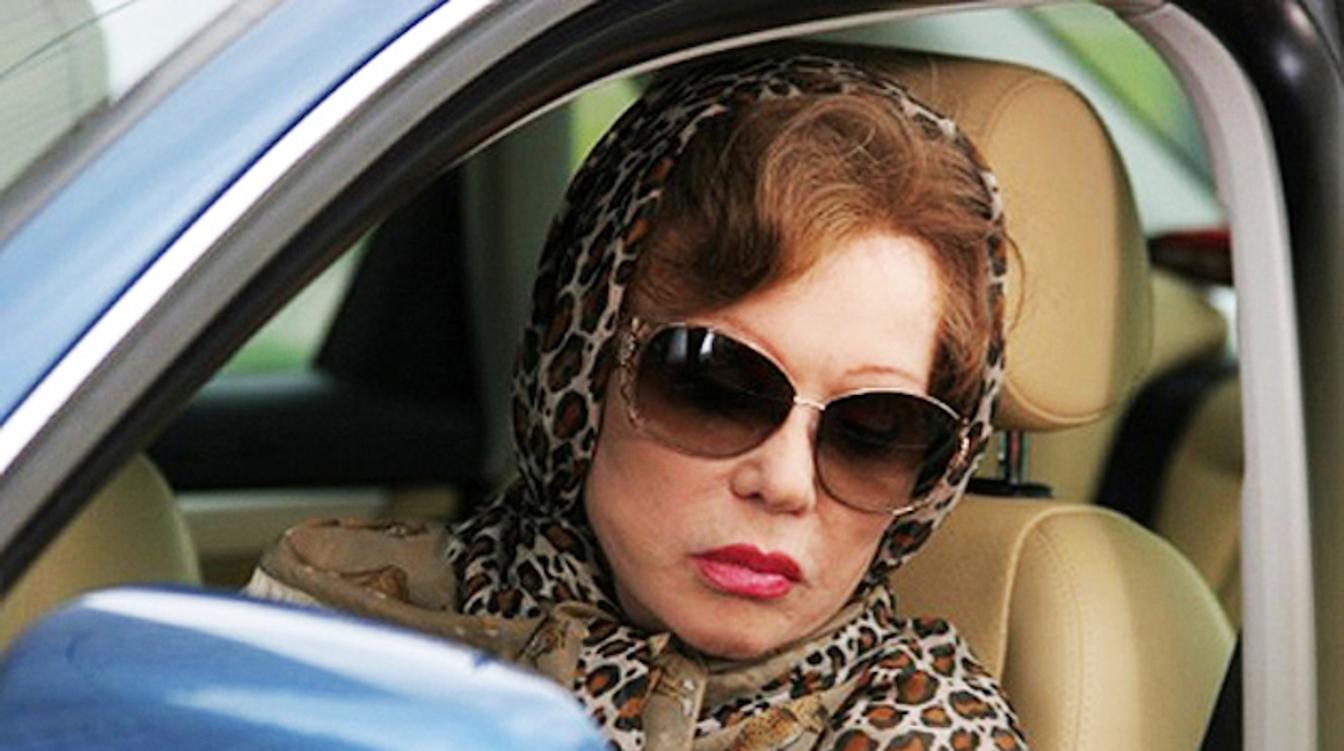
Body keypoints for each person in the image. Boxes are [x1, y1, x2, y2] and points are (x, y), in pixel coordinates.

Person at [247, 52, 1027, 750]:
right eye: (716, 386)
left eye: (875, 431)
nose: (785, 483)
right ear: (579, 367)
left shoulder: (927, 729)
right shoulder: (329, 613)